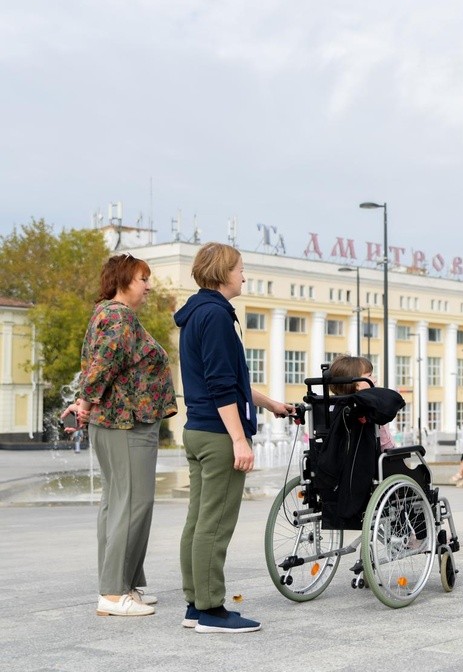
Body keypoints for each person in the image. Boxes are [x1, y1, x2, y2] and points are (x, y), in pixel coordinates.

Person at [175, 243, 293, 634]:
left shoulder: (197, 314)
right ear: (224, 272)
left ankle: (195, 604)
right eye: (241, 268)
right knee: (215, 524)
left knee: (197, 521)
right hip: (217, 434)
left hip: (197, 431)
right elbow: (221, 386)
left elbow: (231, 382)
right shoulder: (216, 317)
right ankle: (211, 610)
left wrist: (271, 404)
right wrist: (239, 440)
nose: (245, 275)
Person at [61, 253, 177, 617]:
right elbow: (105, 362)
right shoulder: (119, 316)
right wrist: (84, 402)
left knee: (117, 504)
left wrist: (85, 403)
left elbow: (102, 363)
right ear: (125, 280)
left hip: (118, 422)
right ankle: (113, 594)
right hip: (126, 423)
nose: (148, 286)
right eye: (143, 279)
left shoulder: (107, 313)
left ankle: (122, 584)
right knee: (131, 505)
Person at [327, 355, 396, 451]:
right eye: (369, 375)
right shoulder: (369, 407)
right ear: (356, 384)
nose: (375, 379)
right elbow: (387, 446)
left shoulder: (328, 407)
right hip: (371, 462)